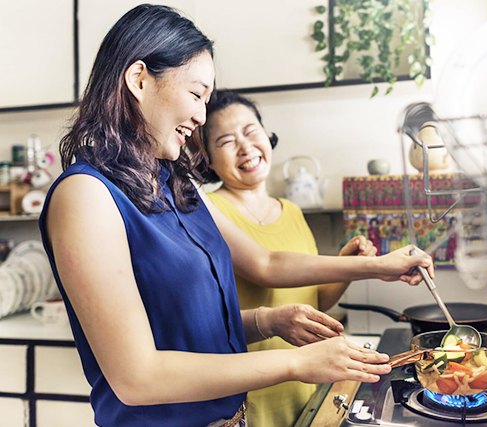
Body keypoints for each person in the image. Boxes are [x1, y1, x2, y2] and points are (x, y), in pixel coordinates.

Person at [39, 5, 435, 427]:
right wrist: (296, 363)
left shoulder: (177, 185)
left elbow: (262, 264)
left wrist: (273, 318)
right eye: (195, 95)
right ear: (139, 79)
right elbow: (138, 377)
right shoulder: (86, 195)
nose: (201, 116)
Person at [202, 89, 378, 427]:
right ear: (207, 159)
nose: (245, 146)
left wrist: (346, 266)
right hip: (247, 397)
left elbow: (313, 305)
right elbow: (266, 268)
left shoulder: (293, 212)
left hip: (306, 387)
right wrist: (371, 266)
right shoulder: (208, 210)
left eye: (251, 131)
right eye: (225, 141)